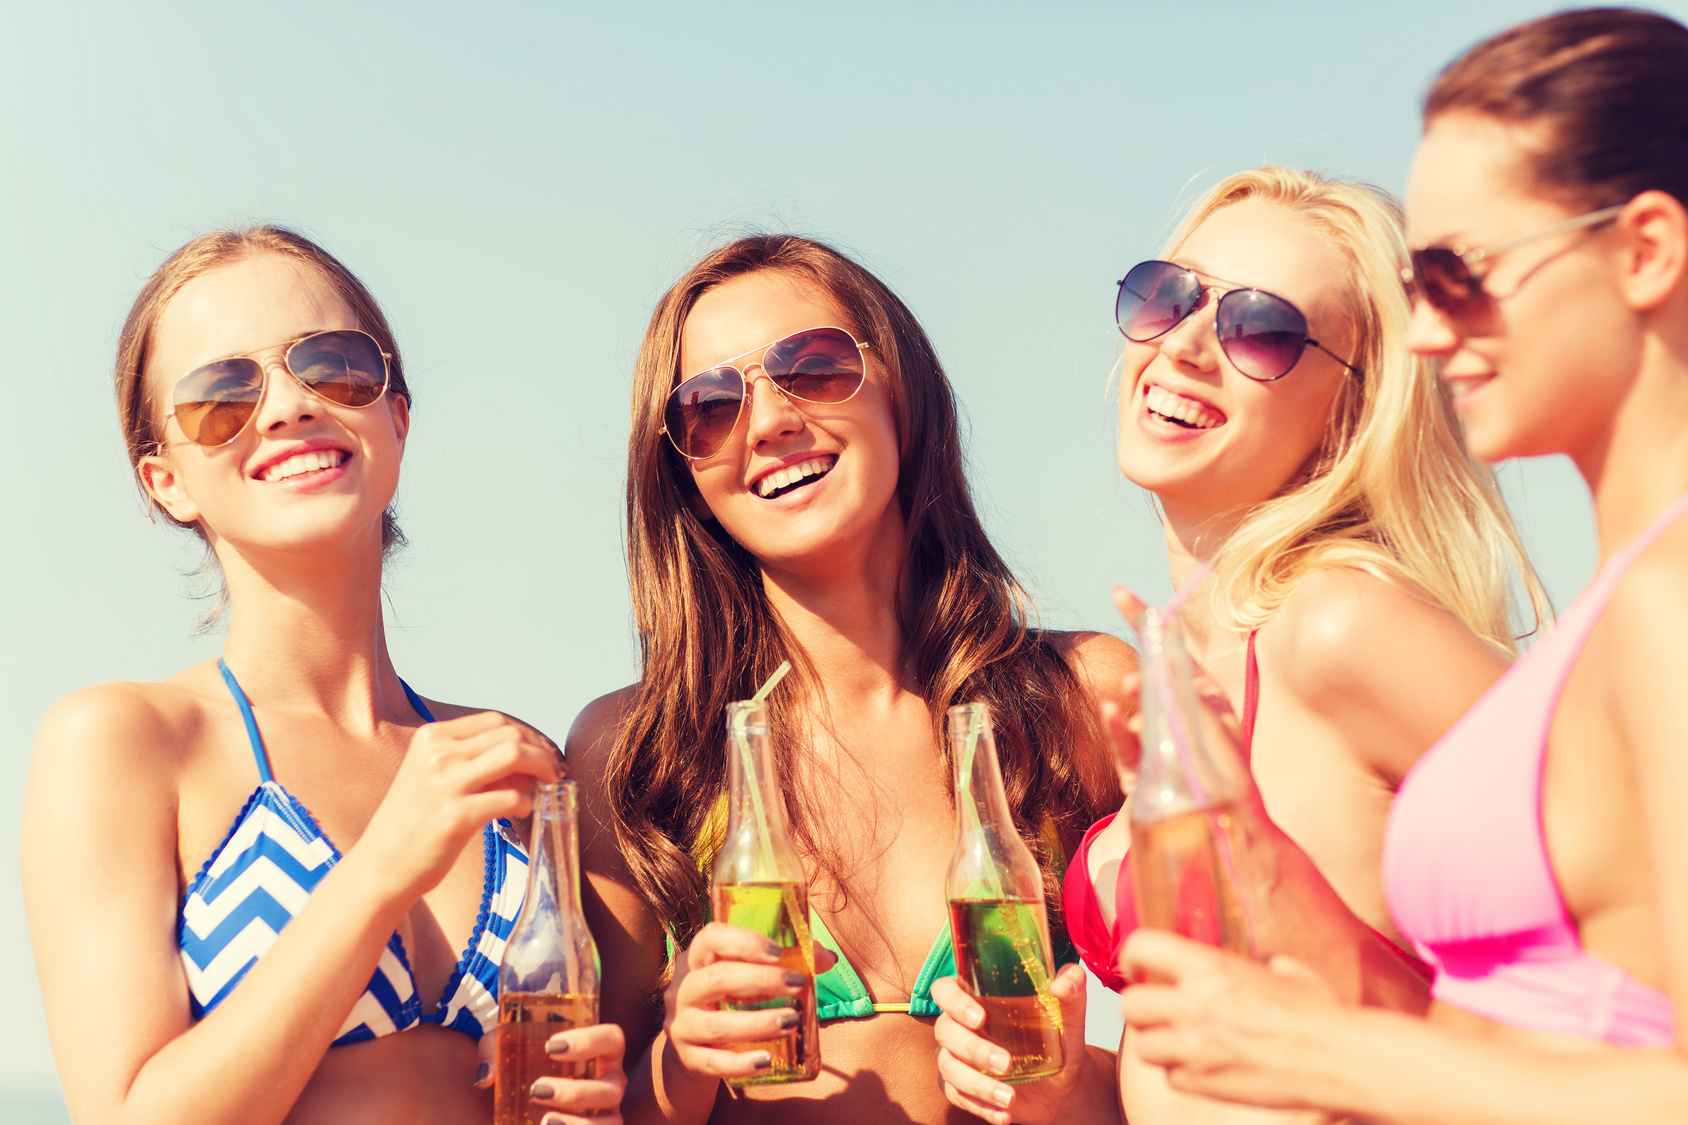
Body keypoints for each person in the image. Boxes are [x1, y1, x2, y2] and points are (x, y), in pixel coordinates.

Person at [1118, 10, 1688, 1123]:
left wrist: (1326, 1059)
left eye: (1458, 273)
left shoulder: (1667, 598)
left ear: (1642, 252)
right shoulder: (1616, 605)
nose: (1422, 336)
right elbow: (1505, 1020)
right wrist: (1256, 857)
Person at [936, 166, 1547, 1125]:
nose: (1184, 343)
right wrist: (1062, 1088)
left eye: (1258, 329)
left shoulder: (1340, 624)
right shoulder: (1184, 664)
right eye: (1166, 296)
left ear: (1354, 408)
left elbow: (1635, 913)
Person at [20, 226, 623, 1125]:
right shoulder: (123, 743)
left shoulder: (508, 760)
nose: (288, 407)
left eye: (334, 366)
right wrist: (383, 865)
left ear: (398, 417)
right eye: (221, 395)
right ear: (166, 480)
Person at [565, 233, 1133, 1124]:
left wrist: (1070, 1085)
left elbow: (1210, 1067)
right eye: (708, 404)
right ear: (683, 470)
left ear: (900, 379)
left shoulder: (1080, 700)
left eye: (813, 365)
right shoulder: (637, 752)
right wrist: (683, 1059)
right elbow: (581, 1113)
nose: (768, 420)